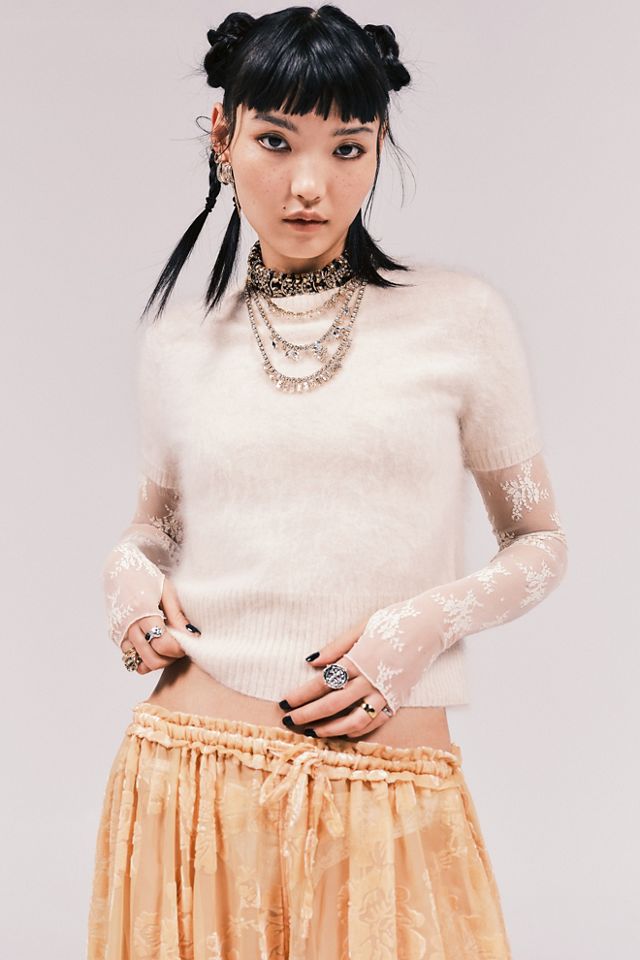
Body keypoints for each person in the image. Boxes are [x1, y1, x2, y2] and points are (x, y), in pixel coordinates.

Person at [86, 5, 568, 958]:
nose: (310, 185)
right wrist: (126, 570)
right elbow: (157, 528)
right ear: (222, 135)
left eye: (349, 148)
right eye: (276, 141)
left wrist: (418, 627)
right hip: (185, 783)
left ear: (378, 146)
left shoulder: (460, 320)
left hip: (382, 795)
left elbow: (539, 541)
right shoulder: (180, 343)